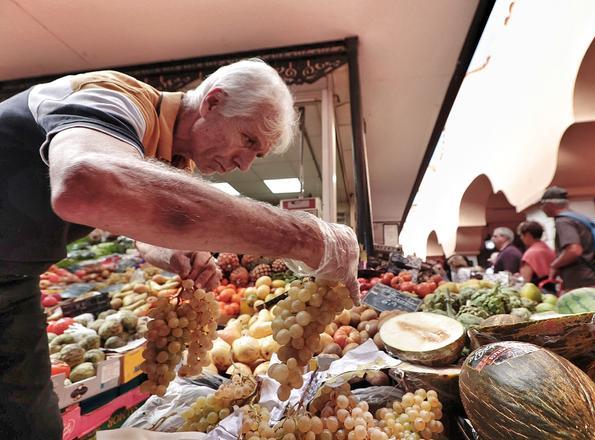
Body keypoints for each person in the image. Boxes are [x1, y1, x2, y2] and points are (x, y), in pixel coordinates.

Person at [0, 59, 359, 439]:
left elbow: (134, 226)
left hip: (13, 285)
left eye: (257, 155)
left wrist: (171, 251)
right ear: (213, 102)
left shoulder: (170, 160)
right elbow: (86, 183)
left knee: (32, 426)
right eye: (249, 140)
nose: (243, 164)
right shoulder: (117, 97)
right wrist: (302, 236)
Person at [540, 186, 595, 289]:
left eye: (541, 205)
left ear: (549, 205)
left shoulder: (563, 221)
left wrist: (554, 265)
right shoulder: (578, 217)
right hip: (592, 278)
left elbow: (574, 250)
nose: (541, 209)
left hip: (583, 282)